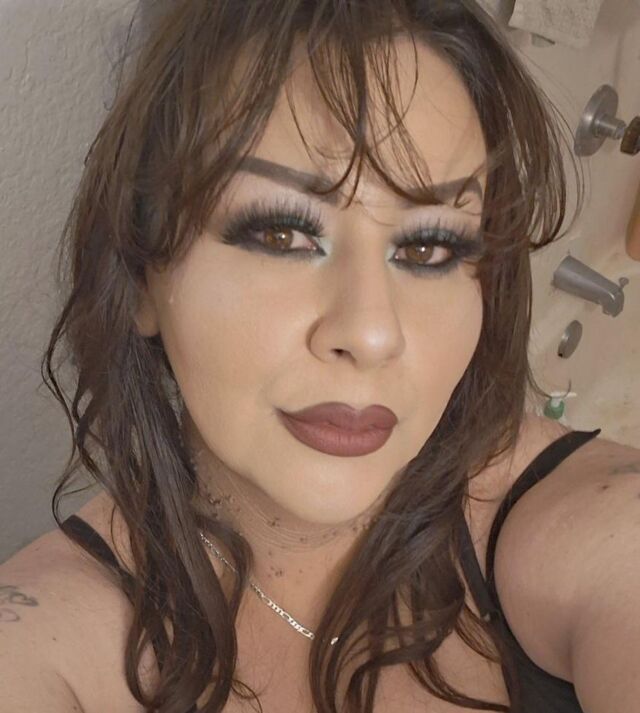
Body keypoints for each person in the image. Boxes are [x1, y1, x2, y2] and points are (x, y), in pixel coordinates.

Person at [1, 1, 638, 712]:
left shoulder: (594, 526)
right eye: (281, 234)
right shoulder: (41, 655)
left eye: (430, 246)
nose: (371, 333)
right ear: (144, 277)